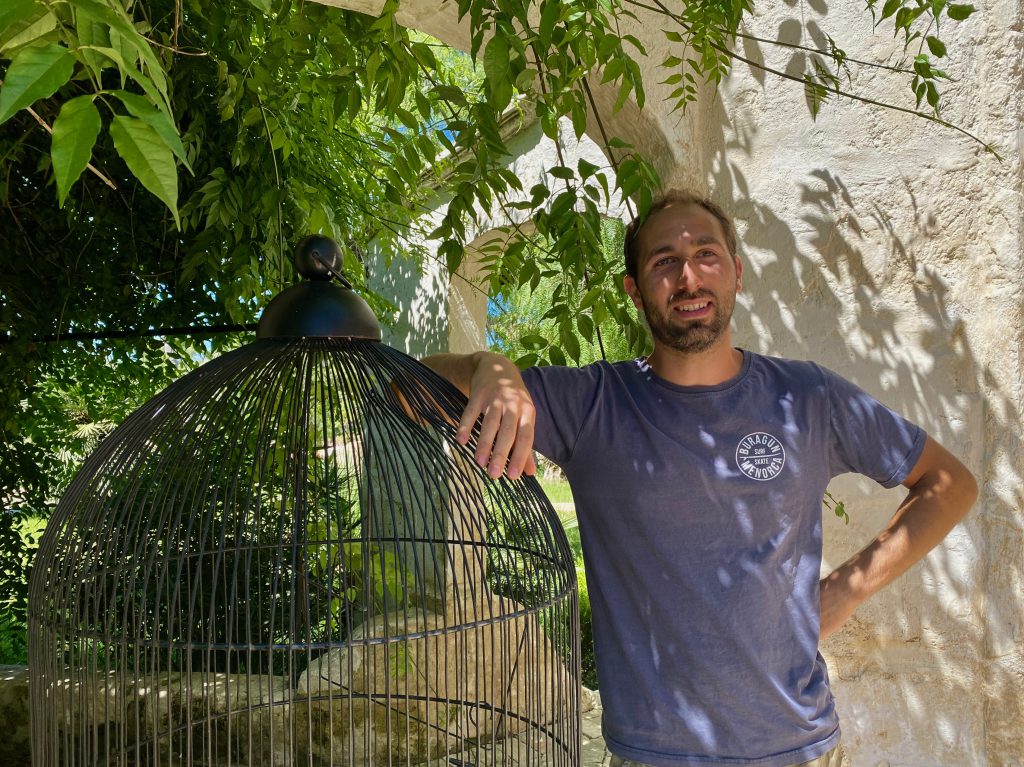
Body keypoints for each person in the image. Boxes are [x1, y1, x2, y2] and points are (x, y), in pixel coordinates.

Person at [422, 190, 977, 767]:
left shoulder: (808, 396)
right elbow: (404, 390)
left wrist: (842, 592)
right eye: (663, 261)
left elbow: (949, 483)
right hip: (650, 755)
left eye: (706, 254)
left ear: (736, 273)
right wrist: (489, 366)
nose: (687, 276)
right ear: (635, 290)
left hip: (795, 746)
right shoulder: (592, 403)